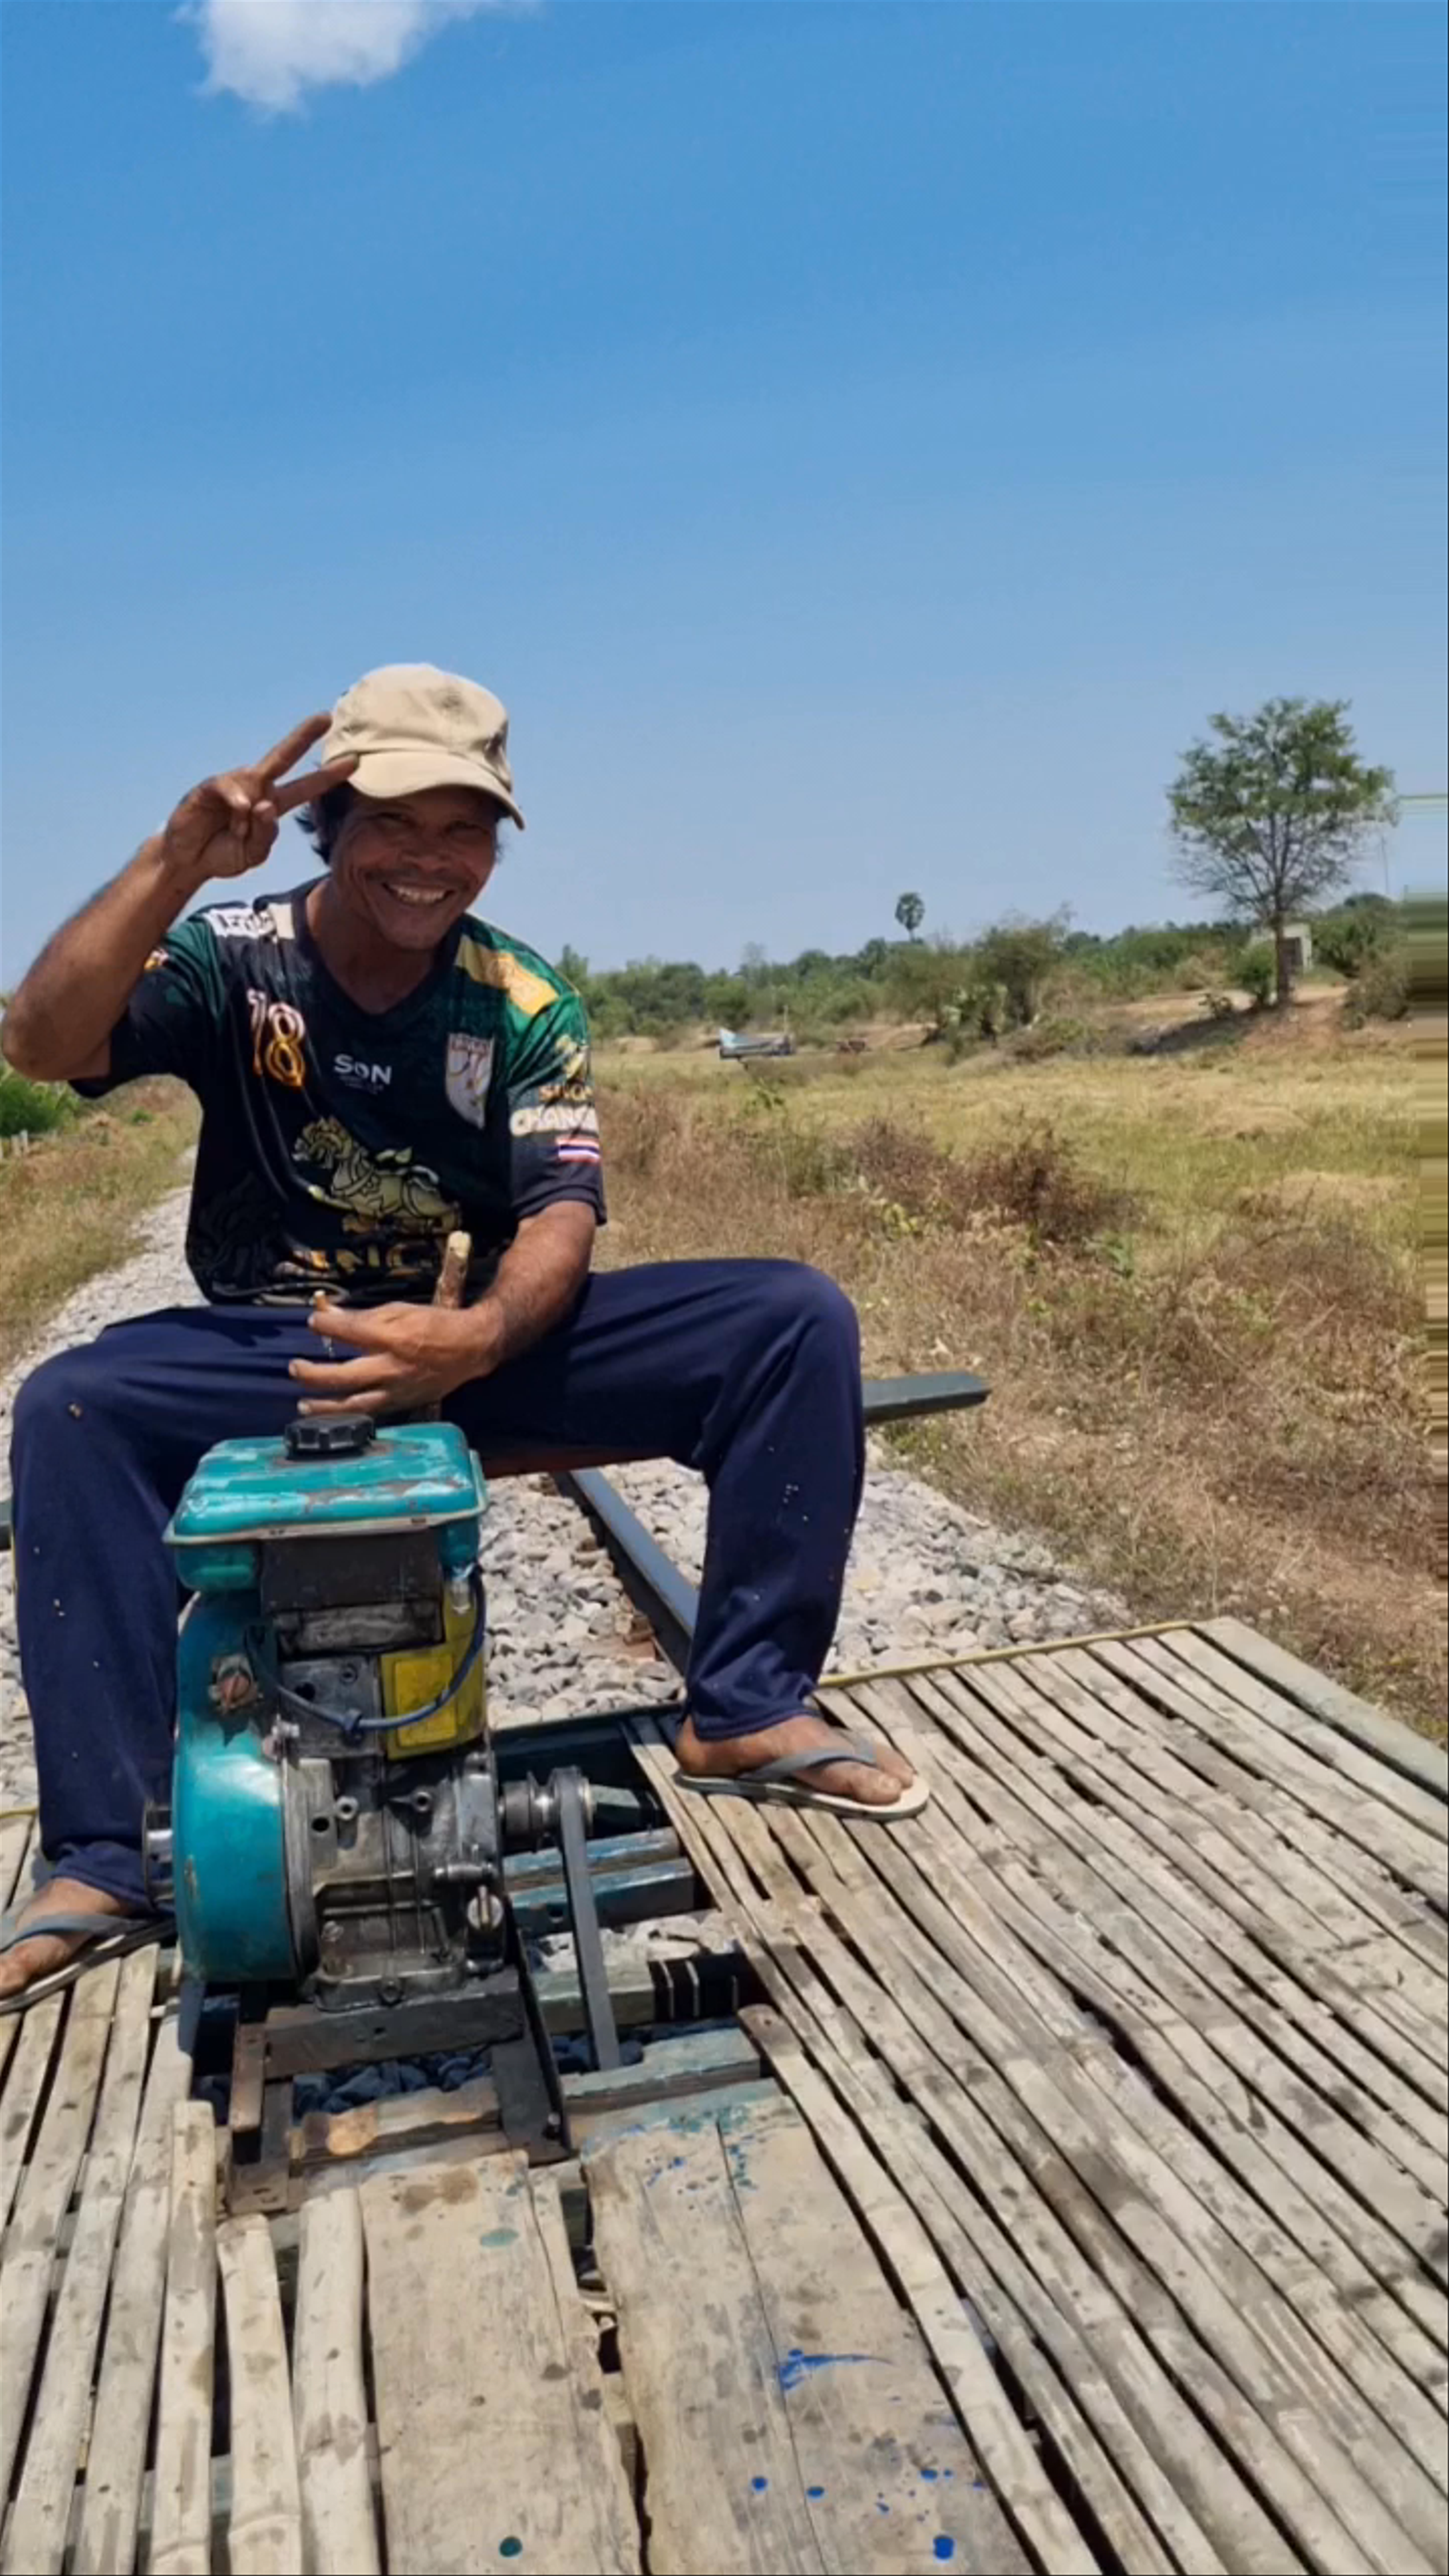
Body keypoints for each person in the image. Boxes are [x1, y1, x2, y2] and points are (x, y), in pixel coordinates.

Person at [0, 664, 922, 2001]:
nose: (432, 863)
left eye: (467, 830)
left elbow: (562, 1212)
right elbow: (38, 1043)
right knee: (71, 1406)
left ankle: (749, 1708)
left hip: (478, 1347)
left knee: (791, 1320)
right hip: (290, 1347)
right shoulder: (232, 957)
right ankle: (103, 1856)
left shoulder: (521, 1001)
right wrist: (169, 866)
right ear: (329, 821)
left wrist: (479, 1337)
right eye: (398, 823)